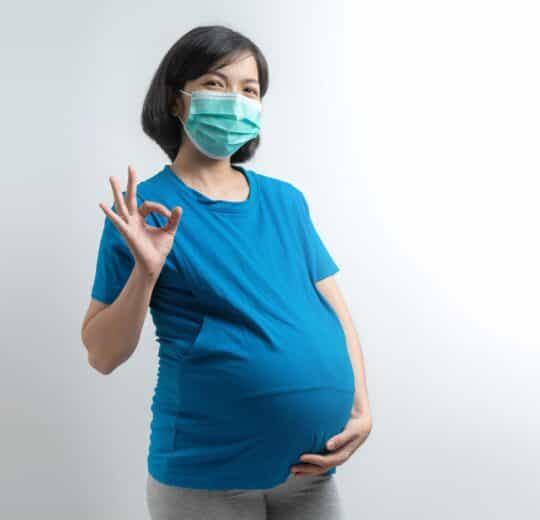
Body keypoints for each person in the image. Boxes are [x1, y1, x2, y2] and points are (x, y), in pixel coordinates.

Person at [80, 25, 372, 520]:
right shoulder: (143, 212)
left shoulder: (286, 201)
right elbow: (102, 355)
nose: (235, 101)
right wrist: (145, 273)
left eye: (249, 90)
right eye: (215, 84)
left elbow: (335, 310)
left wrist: (361, 408)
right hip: (206, 479)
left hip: (310, 475)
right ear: (177, 100)